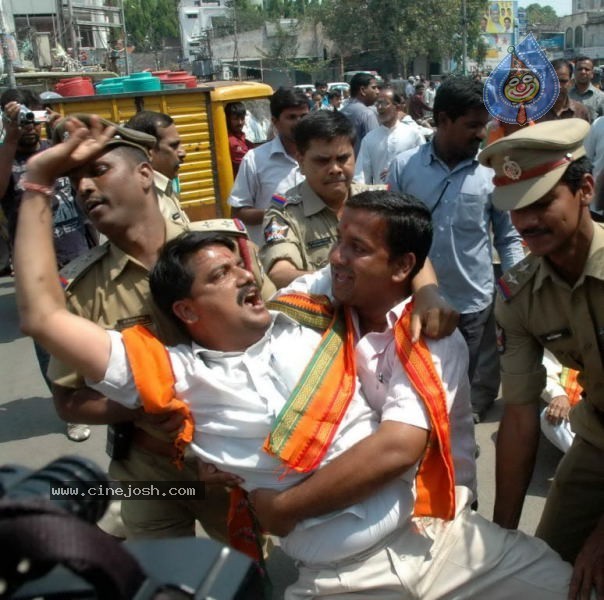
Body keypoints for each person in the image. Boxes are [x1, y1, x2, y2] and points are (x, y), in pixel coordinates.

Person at [15, 130, 577, 597]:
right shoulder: (177, 374)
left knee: (568, 585)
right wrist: (36, 182)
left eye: (240, 268)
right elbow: (43, 317)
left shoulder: (304, 312)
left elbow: (391, 259)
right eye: (220, 276)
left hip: (433, 539)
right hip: (330, 573)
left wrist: (428, 291)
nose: (243, 274)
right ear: (186, 309)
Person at [46, 115, 273, 541]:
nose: (84, 188)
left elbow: (280, 338)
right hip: (149, 475)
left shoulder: (226, 248)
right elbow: (68, 401)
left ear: (146, 174)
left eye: (98, 171)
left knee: (244, 574)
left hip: (237, 460)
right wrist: (146, 403)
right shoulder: (81, 288)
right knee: (164, 578)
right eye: (76, 181)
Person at [480, 117, 604, 597]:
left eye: (542, 202)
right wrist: (501, 542)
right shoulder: (518, 298)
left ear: (585, 189)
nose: (526, 221)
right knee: (547, 566)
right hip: (596, 433)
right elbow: (518, 416)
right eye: (514, 208)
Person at [388, 75, 525, 421]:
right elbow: (392, 236)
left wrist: (515, 290)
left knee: (467, 392)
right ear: (443, 120)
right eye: (472, 125)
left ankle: (461, 444)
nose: (481, 133)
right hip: (417, 302)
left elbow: (507, 238)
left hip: (474, 304)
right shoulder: (404, 168)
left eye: (484, 124)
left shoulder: (492, 172)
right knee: (421, 386)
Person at [0, 88, 94, 442]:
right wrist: (9, 138)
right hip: (38, 267)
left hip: (79, 254)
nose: (29, 127)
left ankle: (100, 394)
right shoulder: (6, 156)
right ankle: (69, 406)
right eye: (22, 118)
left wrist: (61, 124)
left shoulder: (56, 149)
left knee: (95, 328)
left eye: (34, 117)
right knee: (51, 345)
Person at [259, 110, 383, 288]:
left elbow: (413, 255)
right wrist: (351, 280)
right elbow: (280, 273)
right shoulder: (283, 212)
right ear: (301, 162)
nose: (335, 169)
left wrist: (428, 292)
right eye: (322, 161)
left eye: (342, 158)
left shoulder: (378, 201)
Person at [227, 87, 308, 245]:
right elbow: (238, 212)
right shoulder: (255, 160)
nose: (299, 123)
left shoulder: (321, 157)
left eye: (303, 116)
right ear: (275, 122)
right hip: (272, 255)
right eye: (291, 117)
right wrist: (280, 213)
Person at [124, 110, 190, 225]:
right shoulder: (143, 199)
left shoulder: (164, 188)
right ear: (148, 152)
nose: (183, 153)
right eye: (173, 146)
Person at [354, 88, 424, 184]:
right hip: (379, 196)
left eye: (384, 103)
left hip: (407, 196)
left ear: (397, 107)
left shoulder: (413, 135)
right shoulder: (369, 139)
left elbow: (423, 167)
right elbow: (361, 175)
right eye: (377, 103)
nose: (379, 107)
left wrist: (399, 171)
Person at [339, 72, 379, 156]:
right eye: (374, 88)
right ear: (363, 90)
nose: (377, 91)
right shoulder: (367, 114)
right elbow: (375, 147)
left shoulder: (342, 111)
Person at [569, 56, 604, 122]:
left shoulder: (601, 98)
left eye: (587, 69)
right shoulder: (566, 96)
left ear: (592, 74)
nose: (583, 72)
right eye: (580, 69)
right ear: (574, 72)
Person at [223, 101, 254, 176]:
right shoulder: (231, 140)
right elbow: (249, 162)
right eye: (235, 119)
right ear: (228, 120)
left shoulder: (240, 137)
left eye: (242, 118)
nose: (240, 122)